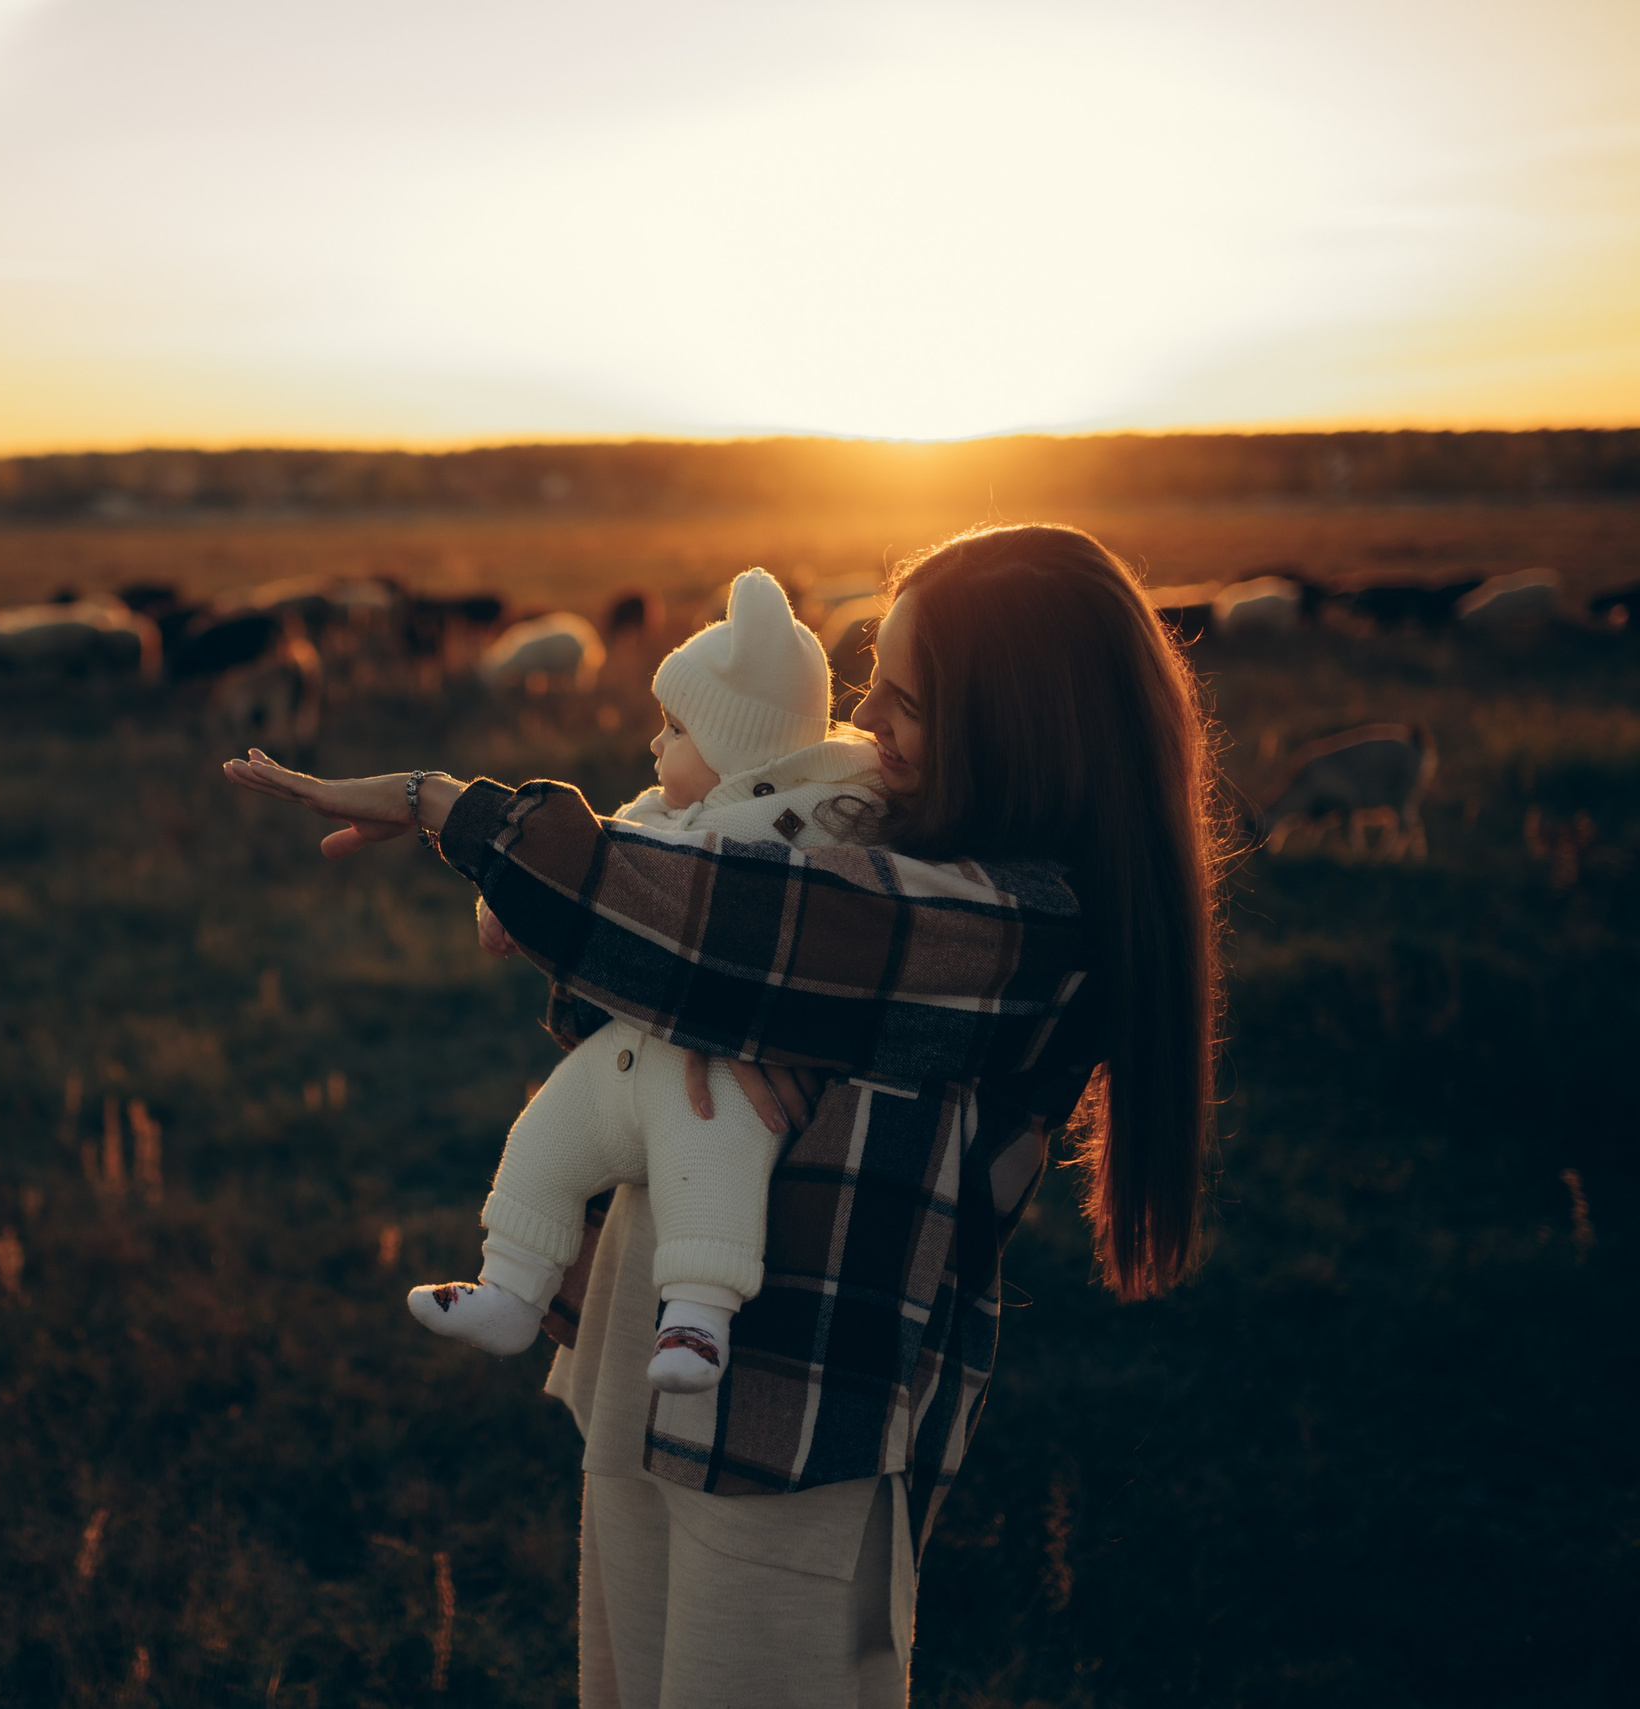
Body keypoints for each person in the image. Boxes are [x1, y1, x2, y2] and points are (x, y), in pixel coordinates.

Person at [224, 523, 1221, 1707]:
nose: (867, 726)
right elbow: (665, 953)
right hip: (640, 1373)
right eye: (872, 687)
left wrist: (442, 805)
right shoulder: (876, 841)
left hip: (795, 1434)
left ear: (1024, 731)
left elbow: (706, 926)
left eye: (911, 703)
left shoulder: (1017, 928)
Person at [406, 567, 887, 1396]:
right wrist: (513, 899)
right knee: (545, 1133)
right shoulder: (658, 815)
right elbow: (595, 861)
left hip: (715, 1075)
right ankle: (511, 1286)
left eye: (677, 730)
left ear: (740, 746)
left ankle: (698, 1318)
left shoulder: (804, 825)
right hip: (628, 1062)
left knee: (716, 1157)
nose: (654, 746)